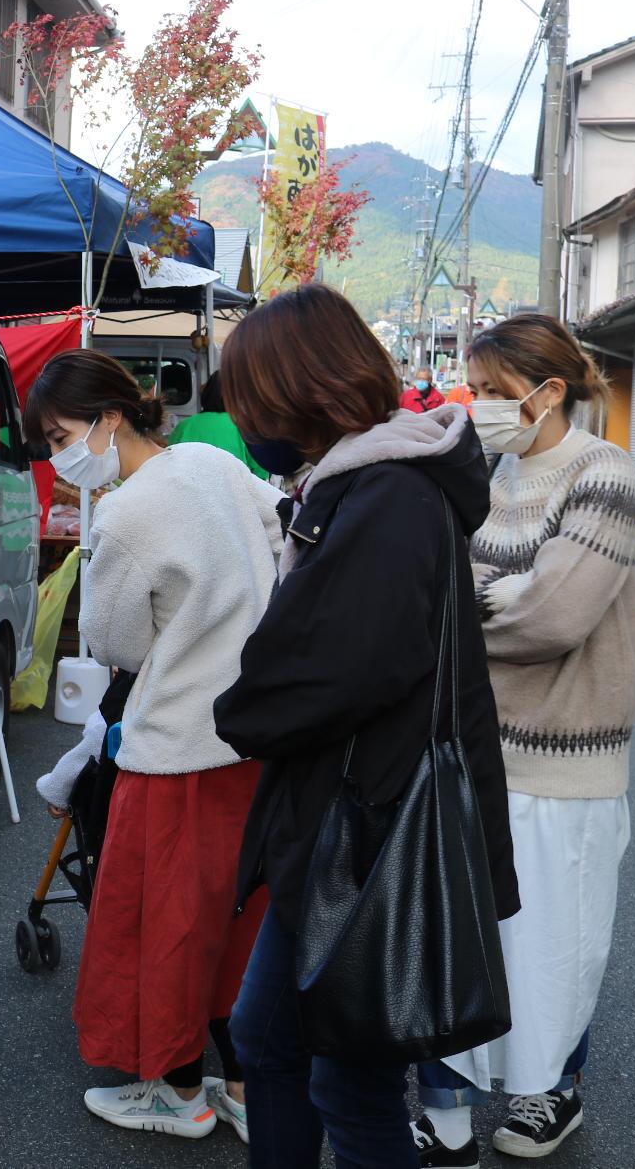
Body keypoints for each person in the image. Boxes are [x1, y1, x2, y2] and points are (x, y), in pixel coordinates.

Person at [212, 284, 519, 1168]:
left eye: (249, 398)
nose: (245, 419)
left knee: (350, 1087)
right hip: (350, 823)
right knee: (281, 1046)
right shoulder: (377, 485)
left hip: (371, 837)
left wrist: (244, 706)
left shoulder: (386, 498)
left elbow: (333, 666)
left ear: (296, 392)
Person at [24, 349, 282, 1145]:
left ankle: (176, 1090)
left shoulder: (126, 513)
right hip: (254, 737)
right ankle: (242, 1082)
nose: (61, 455)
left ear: (108, 418)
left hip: (172, 745)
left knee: (163, 924)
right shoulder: (212, 461)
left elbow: (111, 639)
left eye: (62, 433)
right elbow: (281, 534)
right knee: (240, 917)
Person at [411, 315, 635, 1166]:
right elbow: (441, 580)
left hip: (565, 759)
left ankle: (553, 1092)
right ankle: (445, 1112)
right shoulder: (492, 470)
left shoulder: (602, 474)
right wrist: (495, 592)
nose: (482, 408)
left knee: (553, 948)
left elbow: (556, 615)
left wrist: (471, 604)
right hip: (473, 750)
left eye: (497, 393)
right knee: (459, 942)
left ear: (548, 393)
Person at [166, 374, 263, 476]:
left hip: (189, 489)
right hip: (233, 490)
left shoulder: (184, 427)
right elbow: (260, 473)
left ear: (206, 394)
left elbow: (169, 464)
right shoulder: (245, 427)